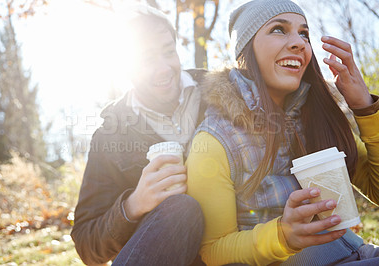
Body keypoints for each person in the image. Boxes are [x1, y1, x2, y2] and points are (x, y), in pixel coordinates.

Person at [186, 0, 379, 265]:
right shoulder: (214, 141)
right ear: (245, 49)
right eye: (278, 29)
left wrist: (365, 109)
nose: (299, 42)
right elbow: (212, 250)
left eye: (304, 34)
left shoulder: (318, 116)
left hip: (360, 253)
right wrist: (282, 236)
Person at [71, 5, 207, 266]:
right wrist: (134, 205)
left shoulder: (219, 94)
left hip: (229, 253)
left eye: (169, 52)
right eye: (146, 59)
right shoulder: (110, 136)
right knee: (180, 209)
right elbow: (86, 245)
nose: (164, 68)